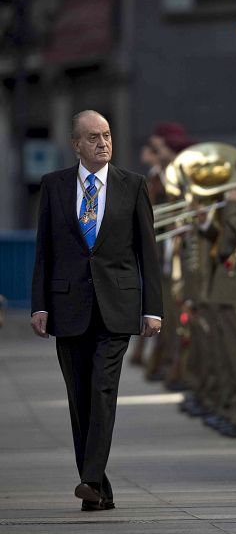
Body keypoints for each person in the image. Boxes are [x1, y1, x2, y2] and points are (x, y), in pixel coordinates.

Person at [30, 110, 162, 511]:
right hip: (67, 306)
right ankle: (99, 489)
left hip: (116, 308)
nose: (102, 143)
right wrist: (40, 305)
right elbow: (44, 252)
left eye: (106, 136)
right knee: (79, 397)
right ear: (76, 144)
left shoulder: (133, 186)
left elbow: (147, 253)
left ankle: (88, 478)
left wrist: (153, 309)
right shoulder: (53, 187)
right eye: (92, 137)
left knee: (103, 391)